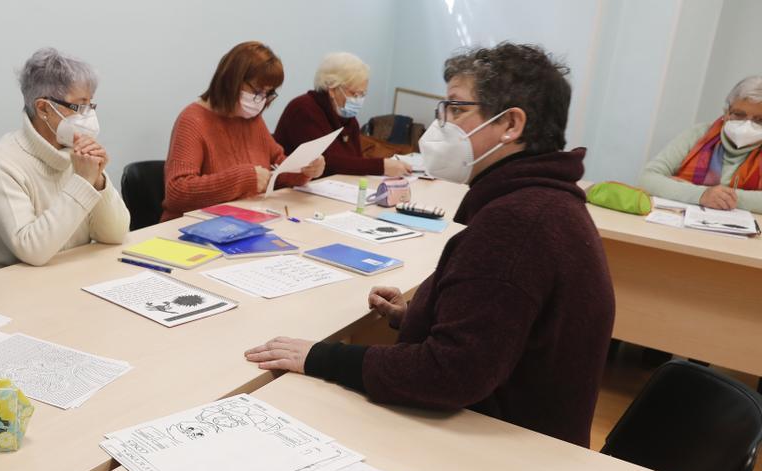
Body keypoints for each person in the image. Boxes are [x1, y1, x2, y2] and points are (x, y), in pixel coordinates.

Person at [245, 43, 615, 448]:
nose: (441, 124)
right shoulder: (546, 202)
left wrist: (320, 357)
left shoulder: (516, 223)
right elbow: (502, 324)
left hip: (499, 447)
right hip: (515, 429)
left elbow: (449, 372)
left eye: (456, 110)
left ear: (511, 124)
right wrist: (421, 314)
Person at [0, 48, 129, 278]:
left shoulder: (77, 154)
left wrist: (97, 181)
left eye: (91, 105)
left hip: (59, 278)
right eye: (79, 106)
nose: (88, 115)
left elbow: (116, 234)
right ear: (44, 108)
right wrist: (83, 182)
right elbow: (33, 250)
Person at [161, 41, 324, 221]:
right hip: (192, 227)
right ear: (232, 81)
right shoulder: (193, 120)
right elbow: (177, 193)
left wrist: (305, 168)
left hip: (242, 220)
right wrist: (243, 178)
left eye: (268, 93)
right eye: (258, 91)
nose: (261, 100)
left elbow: (277, 165)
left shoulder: (251, 119)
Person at [635, 75, 762, 213]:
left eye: (759, 120)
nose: (747, 124)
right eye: (739, 114)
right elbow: (647, 179)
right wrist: (701, 195)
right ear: (726, 112)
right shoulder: (698, 134)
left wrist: (719, 196)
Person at [274, 52, 411, 178]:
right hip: (290, 192)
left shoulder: (348, 118)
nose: (358, 100)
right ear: (332, 89)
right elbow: (327, 163)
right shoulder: (303, 109)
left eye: (362, 94)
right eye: (354, 94)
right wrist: (381, 166)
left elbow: (354, 162)